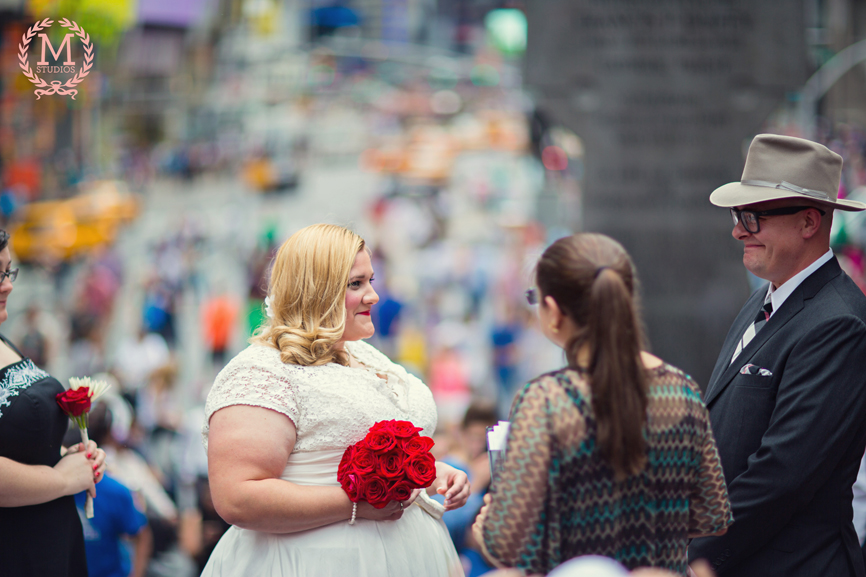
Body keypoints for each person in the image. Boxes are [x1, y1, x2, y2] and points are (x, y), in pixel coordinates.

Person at [201, 224, 470, 576]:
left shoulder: (367, 355)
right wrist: (356, 504)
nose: (373, 295)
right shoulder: (260, 372)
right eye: (356, 284)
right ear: (316, 290)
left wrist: (432, 474)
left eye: (371, 281)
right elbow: (237, 497)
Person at [473, 233, 732, 576]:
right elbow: (712, 516)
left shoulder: (547, 400)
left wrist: (487, 525)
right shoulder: (682, 390)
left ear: (553, 312)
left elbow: (505, 542)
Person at [687, 134, 866, 576]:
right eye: (737, 214)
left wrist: (696, 556)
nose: (737, 229)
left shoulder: (838, 324)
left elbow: (781, 476)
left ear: (809, 222)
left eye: (753, 216)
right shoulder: (764, 300)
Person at [0, 228, 107, 576]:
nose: (8, 285)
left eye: (8, 271)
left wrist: (67, 457)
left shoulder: (4, 337)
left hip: (55, 542)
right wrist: (62, 480)